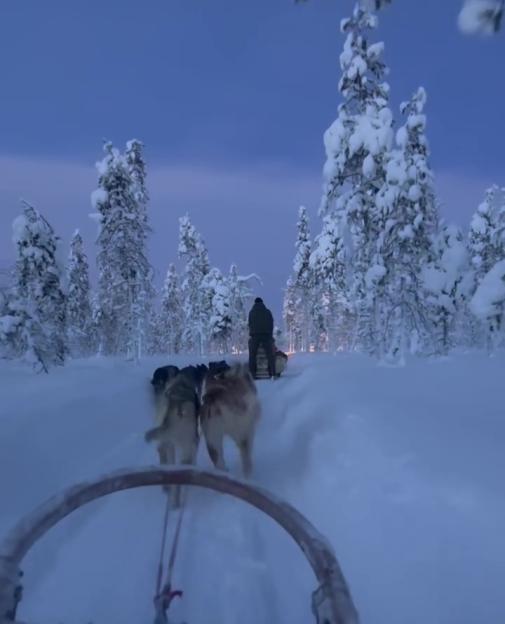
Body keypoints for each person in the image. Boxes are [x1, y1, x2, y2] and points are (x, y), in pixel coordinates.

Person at [248, 297, 276, 379]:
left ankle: (253, 374)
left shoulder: (251, 312)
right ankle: (272, 373)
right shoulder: (267, 312)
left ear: (255, 303)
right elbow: (271, 324)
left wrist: (252, 333)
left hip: (255, 336)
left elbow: (250, 324)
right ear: (262, 303)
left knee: (252, 355)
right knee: (270, 355)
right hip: (266, 335)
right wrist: (270, 336)